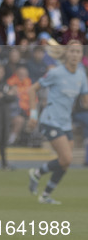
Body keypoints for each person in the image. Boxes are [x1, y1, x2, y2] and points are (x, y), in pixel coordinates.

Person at [28, 41, 88, 204]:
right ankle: (37, 172)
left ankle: (45, 195)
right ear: (67, 53)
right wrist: (33, 115)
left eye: (78, 52)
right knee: (67, 158)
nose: (75, 54)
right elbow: (32, 89)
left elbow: (85, 101)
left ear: (81, 55)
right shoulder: (56, 73)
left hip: (65, 123)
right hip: (50, 120)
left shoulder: (81, 74)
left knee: (64, 164)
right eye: (72, 51)